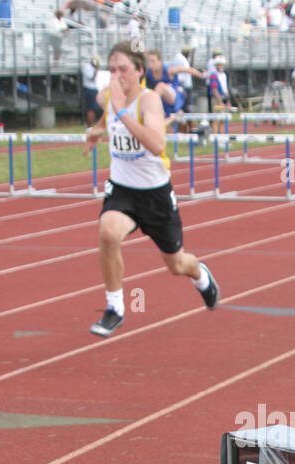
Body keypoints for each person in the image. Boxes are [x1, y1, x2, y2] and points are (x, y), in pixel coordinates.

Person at [84, 42, 220, 337]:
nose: (117, 75)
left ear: (139, 72)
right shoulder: (110, 98)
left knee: (177, 264)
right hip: (122, 189)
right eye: (112, 70)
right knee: (107, 233)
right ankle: (115, 308)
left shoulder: (148, 102)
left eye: (123, 69)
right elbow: (109, 125)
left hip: (155, 194)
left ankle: (201, 276)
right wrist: (95, 133)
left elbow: (157, 144)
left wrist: (123, 113)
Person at [81, 55, 102, 125]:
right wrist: (96, 69)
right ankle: (90, 126)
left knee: (96, 108)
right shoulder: (86, 67)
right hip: (89, 89)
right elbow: (92, 78)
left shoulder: (93, 68)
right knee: (91, 108)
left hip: (96, 89)